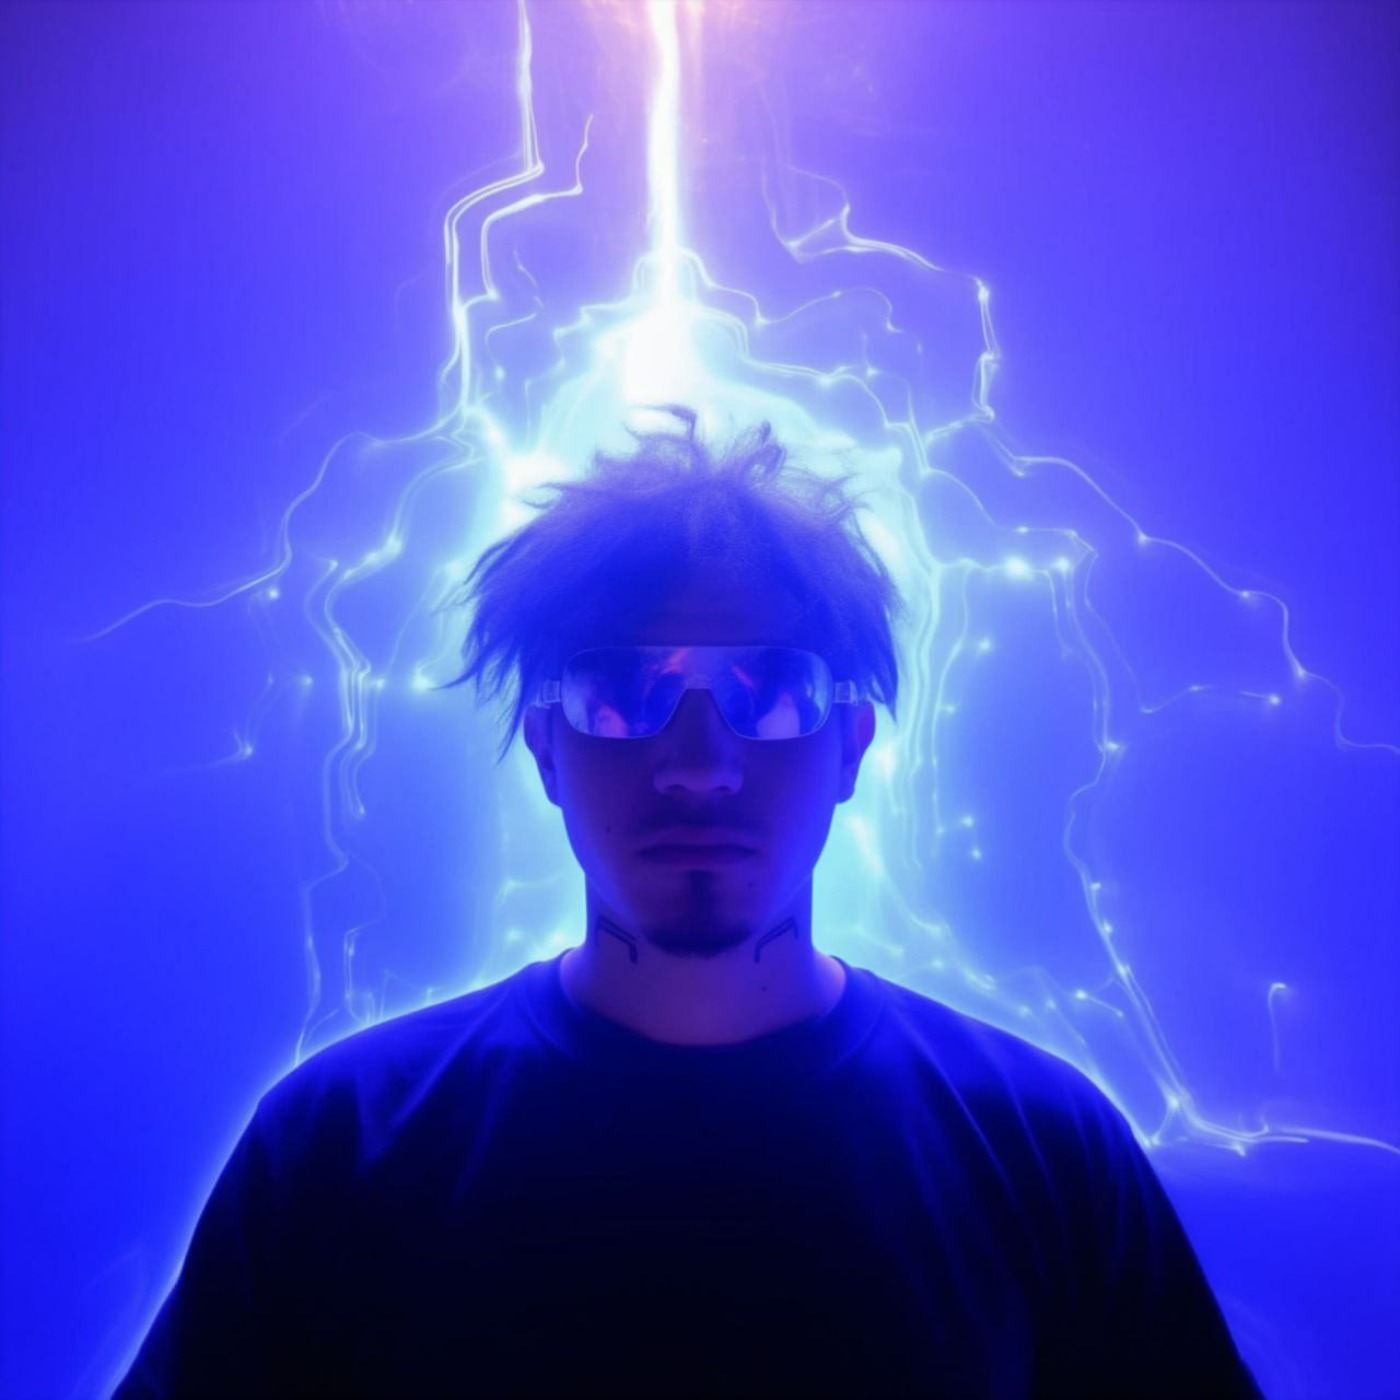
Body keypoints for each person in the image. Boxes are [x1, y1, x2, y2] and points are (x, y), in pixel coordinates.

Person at [115, 413, 1261, 1398]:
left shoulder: (1043, 1152)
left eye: (769, 691)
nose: (700, 763)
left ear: (849, 745)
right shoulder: (336, 1146)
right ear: (545, 746)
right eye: (623, 693)